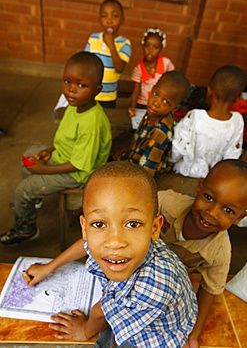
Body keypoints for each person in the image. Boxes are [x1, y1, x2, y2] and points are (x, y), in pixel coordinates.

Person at [24, 161, 198, 347]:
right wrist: (49, 267)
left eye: (132, 224)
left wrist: (84, 331)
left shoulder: (155, 288)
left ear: (155, 228)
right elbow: (86, 244)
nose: (114, 242)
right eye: (99, 224)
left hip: (156, 334)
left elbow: (101, 313)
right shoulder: (118, 245)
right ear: (85, 227)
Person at [0, 51, 112, 246]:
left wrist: (43, 170)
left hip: (78, 173)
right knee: (29, 155)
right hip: (65, 156)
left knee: (23, 190)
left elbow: (79, 165)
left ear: (97, 89)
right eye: (67, 81)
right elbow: (67, 138)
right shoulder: (76, 104)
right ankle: (33, 200)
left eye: (81, 85)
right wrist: (50, 150)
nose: (71, 90)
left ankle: (26, 227)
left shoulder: (91, 123)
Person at [158, 159, 247, 348]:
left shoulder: (220, 253)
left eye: (228, 210)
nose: (212, 213)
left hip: (166, 285)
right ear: (198, 189)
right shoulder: (164, 203)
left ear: (240, 217)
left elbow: (209, 291)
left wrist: (193, 336)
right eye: (208, 197)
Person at [54, 0, 132, 121]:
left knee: (104, 121)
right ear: (99, 19)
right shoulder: (94, 38)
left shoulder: (125, 44)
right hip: (89, 93)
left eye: (115, 16)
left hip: (108, 96)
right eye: (104, 16)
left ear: (122, 19)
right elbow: (85, 63)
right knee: (86, 119)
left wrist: (111, 45)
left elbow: (119, 68)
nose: (109, 20)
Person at [171, 65, 246, 178]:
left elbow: (177, 150)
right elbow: (232, 157)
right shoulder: (237, 121)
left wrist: (169, 162)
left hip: (184, 173)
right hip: (212, 177)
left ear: (209, 90)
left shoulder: (194, 116)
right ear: (239, 97)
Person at [119, 70, 190, 178]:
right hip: (136, 159)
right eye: (156, 94)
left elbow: (146, 171)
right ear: (152, 90)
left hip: (142, 174)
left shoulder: (159, 133)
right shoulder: (154, 113)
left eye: (166, 102)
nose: (156, 103)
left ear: (175, 108)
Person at [128, 27, 175, 129]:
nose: (150, 50)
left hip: (160, 103)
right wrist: (132, 106)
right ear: (142, 46)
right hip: (142, 104)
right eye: (147, 46)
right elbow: (136, 89)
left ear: (161, 48)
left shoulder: (166, 63)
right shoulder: (139, 68)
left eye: (155, 47)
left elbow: (172, 81)